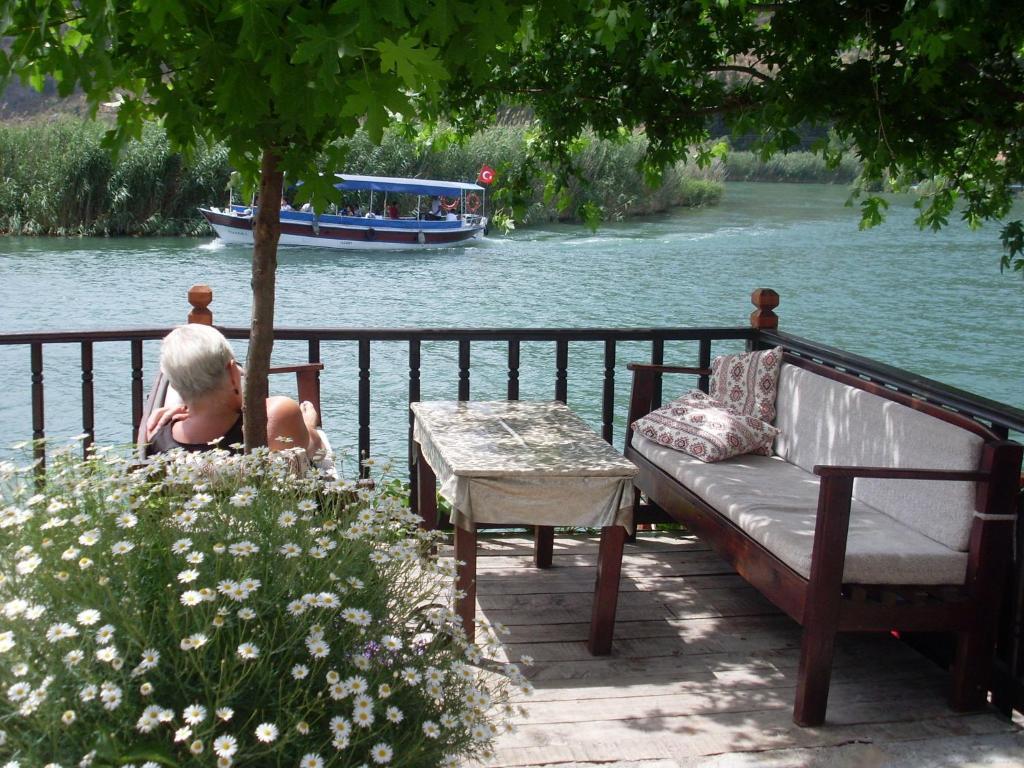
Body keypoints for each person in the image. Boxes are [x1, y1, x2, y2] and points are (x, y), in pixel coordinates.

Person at [144, 324, 324, 460]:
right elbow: (316, 449)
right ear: (231, 372)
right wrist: (309, 424)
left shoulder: (156, 434)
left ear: (175, 385)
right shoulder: (275, 416)